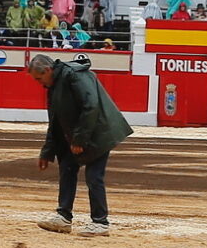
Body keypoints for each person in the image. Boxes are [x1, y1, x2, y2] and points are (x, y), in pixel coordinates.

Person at [30, 51, 133, 236]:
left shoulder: (73, 75)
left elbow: (91, 106)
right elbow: (55, 120)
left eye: (39, 79)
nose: (39, 84)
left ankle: (100, 223)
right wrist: (47, 151)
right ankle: (63, 217)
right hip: (80, 133)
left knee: (94, 175)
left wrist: (79, 138)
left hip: (99, 132)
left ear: (47, 70)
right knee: (67, 168)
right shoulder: (55, 84)